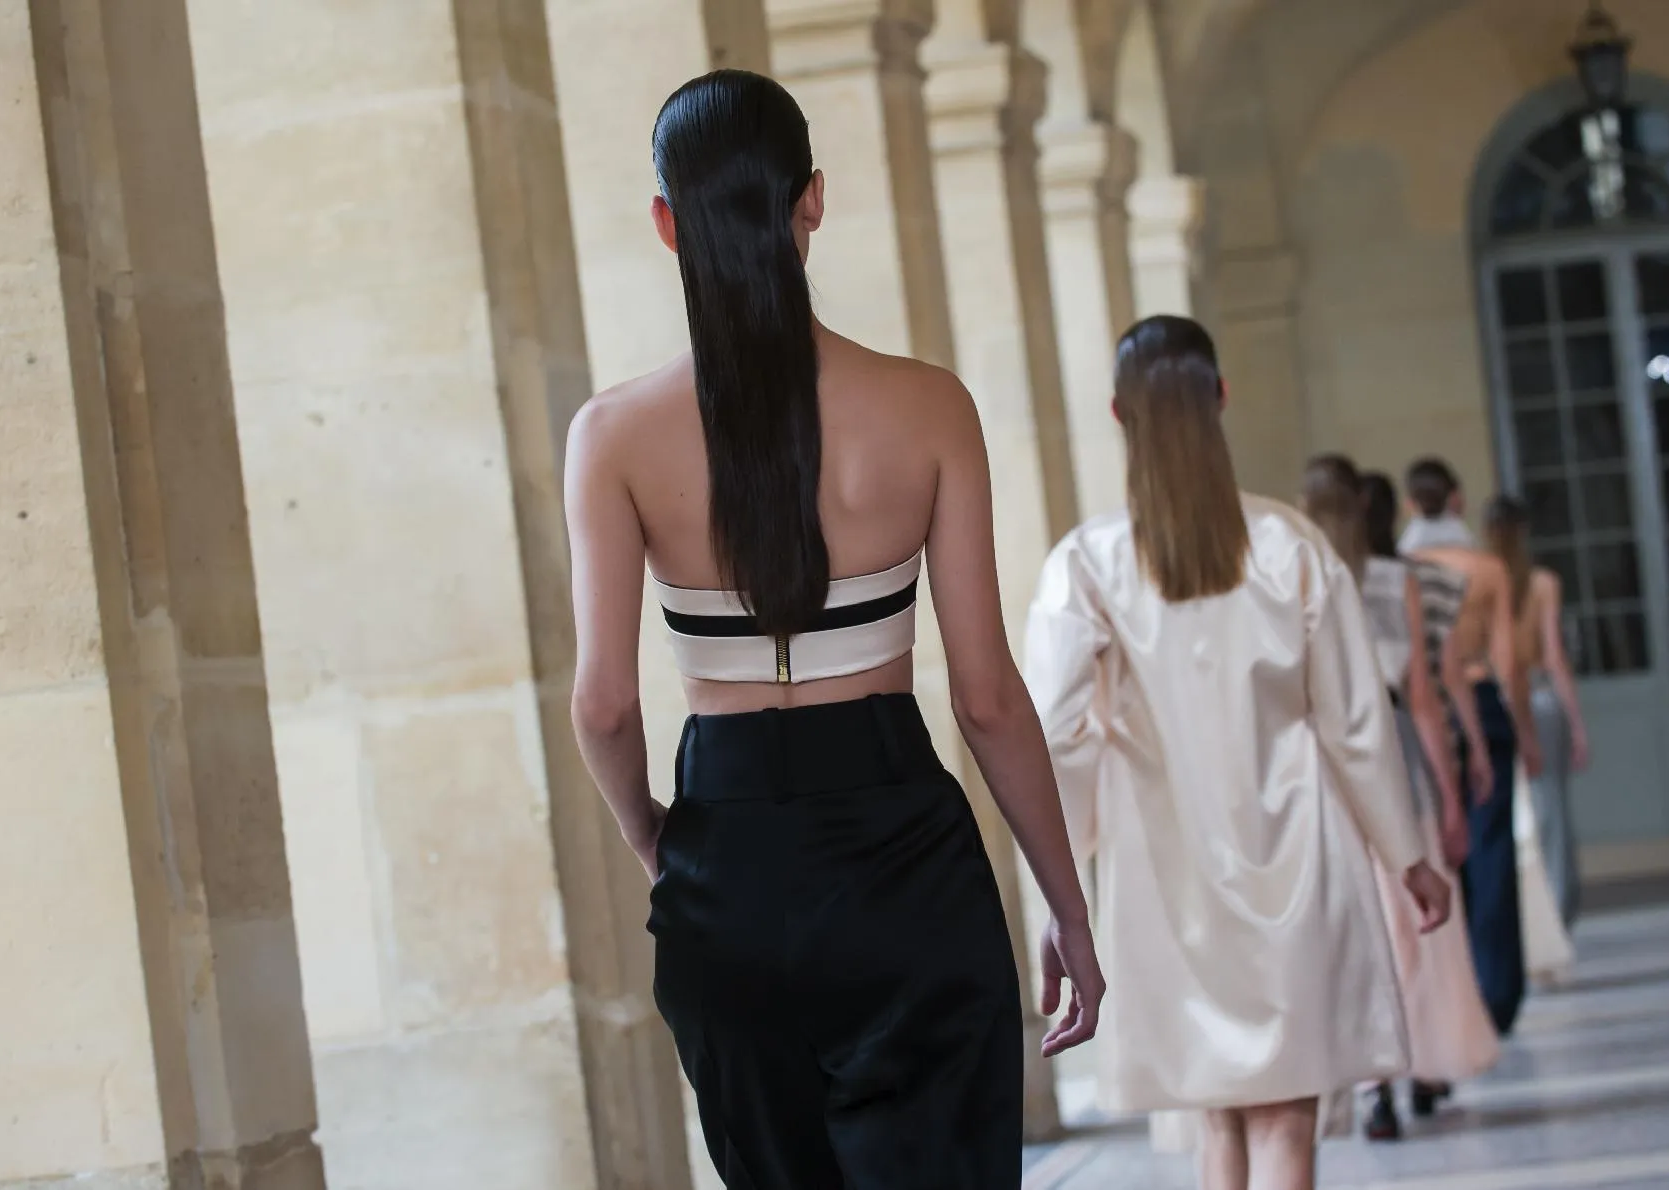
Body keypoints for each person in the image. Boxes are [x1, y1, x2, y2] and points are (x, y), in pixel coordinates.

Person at [564, 70, 1104, 1188]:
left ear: (666, 222)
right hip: (907, 864)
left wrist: (662, 844)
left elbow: (604, 706)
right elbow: (987, 698)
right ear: (813, 198)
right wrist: (1067, 906)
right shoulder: (930, 405)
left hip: (728, 874)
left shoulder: (611, 436)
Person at [1024, 316, 1452, 1190]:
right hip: (1294, 856)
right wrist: (1407, 854)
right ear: (1220, 397)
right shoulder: (1292, 546)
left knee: (1216, 1120)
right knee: (1286, 1122)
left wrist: (1061, 883)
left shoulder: (1087, 564)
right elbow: (1355, 720)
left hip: (1164, 875)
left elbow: (1053, 733)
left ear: (1118, 413)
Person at [1301, 457, 1498, 1144]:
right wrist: (1451, 792)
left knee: (1354, 927)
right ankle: (1412, 1062)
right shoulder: (1394, 581)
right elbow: (1422, 697)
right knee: (1412, 923)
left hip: (1319, 766)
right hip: (1390, 753)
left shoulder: (1292, 577)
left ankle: (1372, 1084)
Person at [1400, 458, 1539, 1040]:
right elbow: (1507, 658)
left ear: (1411, 504)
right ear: (1456, 500)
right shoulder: (1486, 568)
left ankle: (1447, 1002)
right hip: (1478, 700)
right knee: (1491, 851)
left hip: (1420, 711)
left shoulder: (1402, 568)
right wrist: (1524, 728)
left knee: (1436, 849)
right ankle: (1496, 993)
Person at [1485, 496, 1590, 930]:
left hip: (1497, 697)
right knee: (1552, 812)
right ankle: (1556, 912)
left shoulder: (1481, 579)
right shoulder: (1542, 583)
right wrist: (1578, 724)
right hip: (1540, 696)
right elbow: (1554, 656)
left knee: (1512, 815)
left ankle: (1527, 918)